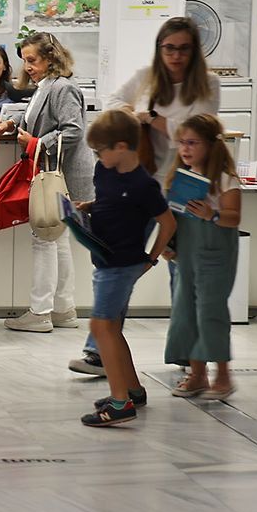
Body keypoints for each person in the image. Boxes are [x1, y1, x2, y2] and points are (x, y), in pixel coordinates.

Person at [70, 16, 221, 376]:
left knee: (182, 269)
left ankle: (187, 349)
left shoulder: (208, 85)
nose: (176, 56)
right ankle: (100, 351)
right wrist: (128, 114)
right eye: (169, 48)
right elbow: (112, 102)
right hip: (142, 181)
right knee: (119, 264)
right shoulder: (145, 77)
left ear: (194, 51)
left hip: (186, 182)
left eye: (184, 49)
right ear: (160, 49)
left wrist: (151, 117)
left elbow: (196, 134)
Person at [0, 32, 94, 333]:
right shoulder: (47, 86)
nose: (28, 66)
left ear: (51, 58)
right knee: (57, 238)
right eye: (25, 61)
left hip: (60, 176)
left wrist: (35, 142)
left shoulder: (63, 87)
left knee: (45, 236)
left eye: (32, 60)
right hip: (55, 174)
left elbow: (73, 131)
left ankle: (40, 311)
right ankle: (63, 309)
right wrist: (11, 122)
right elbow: (36, 113)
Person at [79, 110, 177, 428]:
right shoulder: (104, 170)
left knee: (100, 327)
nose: (98, 156)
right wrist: (88, 208)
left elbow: (168, 222)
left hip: (121, 265)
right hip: (106, 259)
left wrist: (152, 258)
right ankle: (132, 390)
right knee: (111, 329)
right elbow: (109, 201)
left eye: (100, 150)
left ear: (122, 147)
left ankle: (120, 403)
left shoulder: (143, 184)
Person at [164, 114, 242, 401]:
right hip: (187, 255)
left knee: (210, 312)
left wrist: (213, 214)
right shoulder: (179, 179)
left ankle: (223, 374)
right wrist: (166, 245)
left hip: (216, 255)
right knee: (185, 312)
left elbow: (234, 218)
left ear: (210, 145)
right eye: (182, 143)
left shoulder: (225, 179)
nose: (185, 149)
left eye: (193, 143)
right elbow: (171, 216)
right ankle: (196, 374)